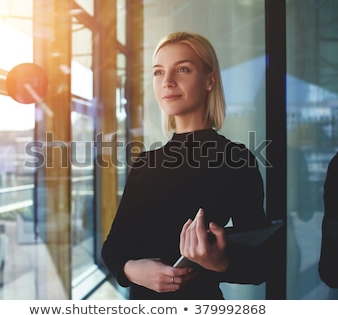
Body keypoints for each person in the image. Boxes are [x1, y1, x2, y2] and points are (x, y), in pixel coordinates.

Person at [101, 31, 270, 300]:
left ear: (210, 80)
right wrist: (132, 270)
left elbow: (261, 265)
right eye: (158, 72)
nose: (167, 82)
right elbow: (112, 249)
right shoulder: (146, 161)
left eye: (182, 69)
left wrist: (219, 262)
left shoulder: (235, 159)